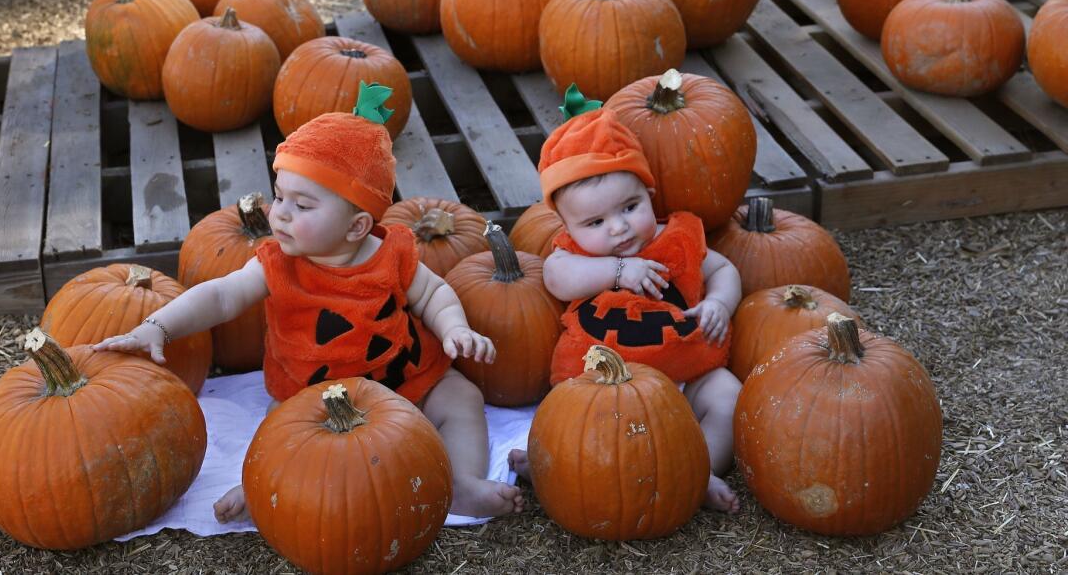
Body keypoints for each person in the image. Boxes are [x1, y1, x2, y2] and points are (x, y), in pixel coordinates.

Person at [94, 84, 523, 521]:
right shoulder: (277, 263)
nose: (279, 213)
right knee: (280, 430)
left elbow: (434, 293)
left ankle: (460, 482)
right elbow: (221, 295)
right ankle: (260, 484)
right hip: (311, 395)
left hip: (403, 380)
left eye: (302, 205)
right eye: (279, 195)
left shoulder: (391, 254)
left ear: (357, 227)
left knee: (461, 397)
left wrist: (455, 329)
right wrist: (158, 326)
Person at [507, 106, 744, 513]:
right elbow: (555, 278)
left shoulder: (678, 240)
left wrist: (719, 301)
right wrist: (616, 271)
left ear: (650, 195)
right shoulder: (571, 256)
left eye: (630, 208)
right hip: (600, 390)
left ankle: (697, 469)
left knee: (729, 396)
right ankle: (554, 465)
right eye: (595, 223)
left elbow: (724, 268)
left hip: (687, 374)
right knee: (573, 426)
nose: (617, 228)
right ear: (568, 227)